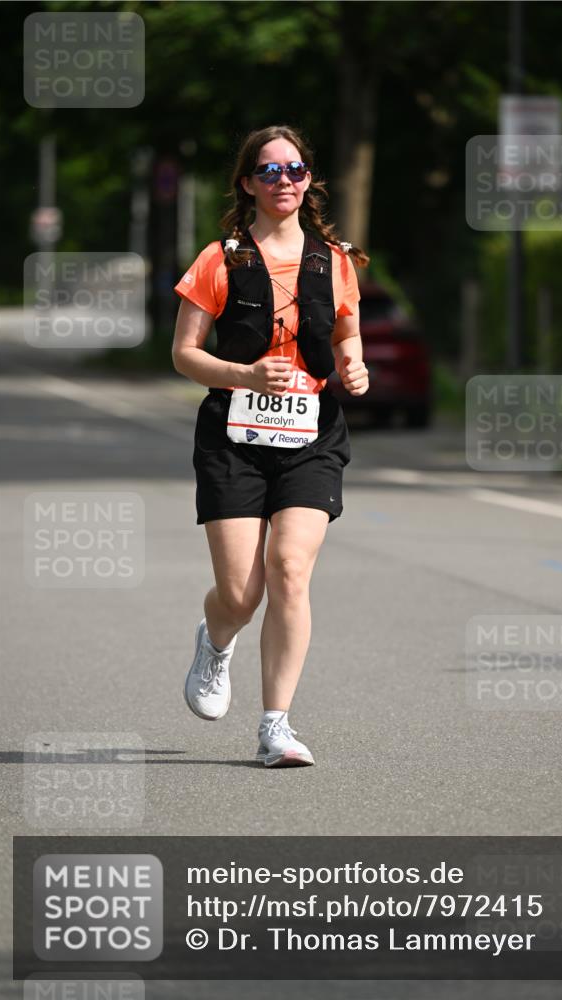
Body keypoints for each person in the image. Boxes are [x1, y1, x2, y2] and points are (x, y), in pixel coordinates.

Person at [171, 125, 369, 767]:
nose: (284, 180)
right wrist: (246, 375)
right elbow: (185, 355)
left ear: (309, 180)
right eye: (270, 170)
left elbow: (346, 337)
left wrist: (354, 366)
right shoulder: (220, 259)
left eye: (296, 169)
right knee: (241, 592)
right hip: (233, 435)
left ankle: (275, 726)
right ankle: (216, 640)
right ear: (248, 183)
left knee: (289, 569)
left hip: (311, 434)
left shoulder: (333, 261)